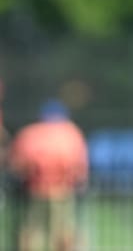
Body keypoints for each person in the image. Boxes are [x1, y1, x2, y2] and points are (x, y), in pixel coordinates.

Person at [8, 99, 89, 251]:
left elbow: (17, 165)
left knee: (32, 230)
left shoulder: (30, 134)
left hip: (35, 189)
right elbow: (80, 166)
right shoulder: (71, 133)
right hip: (63, 190)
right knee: (63, 230)